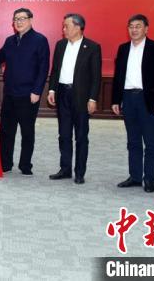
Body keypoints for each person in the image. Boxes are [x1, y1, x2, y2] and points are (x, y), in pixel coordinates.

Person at [0, 8, 49, 175]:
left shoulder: (40, 40)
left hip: (28, 94)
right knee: (5, 131)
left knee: (27, 131)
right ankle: (5, 163)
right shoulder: (10, 41)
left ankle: (25, 165)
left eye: (22, 18)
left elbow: (43, 68)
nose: (19, 22)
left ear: (31, 20)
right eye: (16, 19)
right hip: (10, 93)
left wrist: (37, 91)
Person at [111, 14, 154, 193]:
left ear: (146, 29)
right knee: (133, 140)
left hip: (147, 99)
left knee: (151, 142)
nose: (134, 30)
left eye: (138, 26)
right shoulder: (123, 49)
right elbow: (118, 76)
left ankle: (149, 179)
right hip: (128, 98)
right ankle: (135, 177)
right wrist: (115, 99)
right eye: (131, 26)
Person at [47, 13, 101, 184]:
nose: (63, 29)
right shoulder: (60, 45)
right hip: (62, 93)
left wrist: (93, 98)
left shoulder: (92, 47)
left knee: (81, 136)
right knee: (64, 134)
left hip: (81, 97)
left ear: (78, 27)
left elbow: (96, 76)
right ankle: (65, 169)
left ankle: (79, 172)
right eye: (63, 26)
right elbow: (55, 70)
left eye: (66, 26)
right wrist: (52, 89)